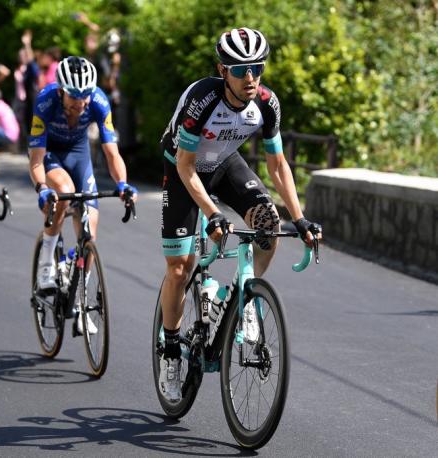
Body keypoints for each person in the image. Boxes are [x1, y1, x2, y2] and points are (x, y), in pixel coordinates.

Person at [156, 27, 322, 403]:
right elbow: (185, 167)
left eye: (257, 67)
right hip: (184, 168)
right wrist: (213, 213)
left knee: (269, 224)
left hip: (225, 162)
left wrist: (300, 218)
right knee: (180, 267)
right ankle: (170, 351)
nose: (250, 77)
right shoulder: (201, 99)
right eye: (240, 69)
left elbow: (278, 165)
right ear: (222, 69)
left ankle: (244, 298)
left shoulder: (266, 102)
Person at [28, 56, 137, 334]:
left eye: (85, 96)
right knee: (63, 193)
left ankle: (79, 302)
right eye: (75, 97)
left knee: (90, 228)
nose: (81, 103)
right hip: (51, 154)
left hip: (79, 154)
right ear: (61, 90)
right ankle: (45, 266)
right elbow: (36, 159)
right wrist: (42, 188)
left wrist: (122, 184)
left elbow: (112, 153)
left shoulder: (99, 101)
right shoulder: (45, 101)